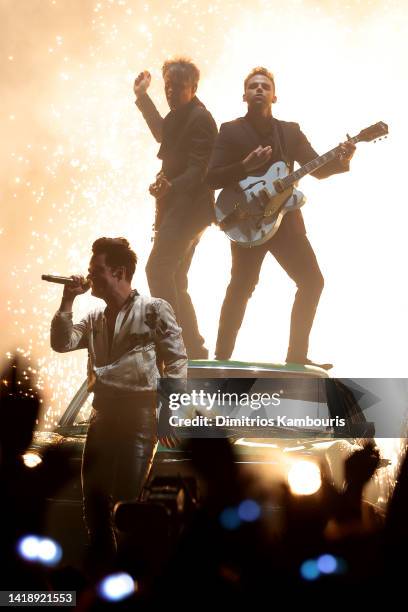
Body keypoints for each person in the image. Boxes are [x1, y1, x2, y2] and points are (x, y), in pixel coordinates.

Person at [50, 237, 187, 567]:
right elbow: (62, 342)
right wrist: (68, 299)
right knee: (94, 505)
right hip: (103, 414)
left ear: (119, 272)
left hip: (139, 414)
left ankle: (131, 581)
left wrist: (169, 411)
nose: (89, 276)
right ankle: (104, 579)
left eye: (96, 271)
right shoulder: (95, 317)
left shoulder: (153, 309)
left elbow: (177, 361)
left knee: (126, 506)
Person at [207, 67, 356, 368]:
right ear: (244, 95)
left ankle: (296, 357)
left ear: (275, 95)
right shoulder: (230, 130)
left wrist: (344, 158)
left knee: (312, 281)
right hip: (248, 218)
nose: (259, 90)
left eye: (265, 86)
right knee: (241, 286)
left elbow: (319, 168)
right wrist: (245, 165)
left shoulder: (289, 131)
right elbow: (211, 178)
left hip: (286, 220)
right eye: (253, 86)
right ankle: (220, 358)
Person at [133, 58, 218, 359]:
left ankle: (174, 342)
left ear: (193, 88)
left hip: (191, 210)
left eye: (178, 87)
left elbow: (200, 170)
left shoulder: (201, 119)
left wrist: (172, 186)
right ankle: (193, 347)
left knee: (157, 268)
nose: (170, 92)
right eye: (168, 86)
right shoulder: (179, 115)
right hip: (178, 208)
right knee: (176, 280)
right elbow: (162, 133)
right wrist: (143, 97)